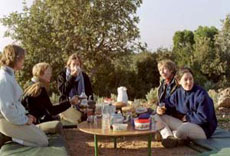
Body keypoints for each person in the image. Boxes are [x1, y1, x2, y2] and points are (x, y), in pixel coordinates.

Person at [156, 67, 217, 148]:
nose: (189, 82)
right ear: (179, 81)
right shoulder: (178, 92)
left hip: (203, 129)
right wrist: (160, 108)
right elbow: (167, 103)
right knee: (157, 116)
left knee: (181, 131)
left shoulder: (201, 94)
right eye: (185, 79)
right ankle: (168, 137)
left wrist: (186, 118)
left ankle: (175, 137)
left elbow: (204, 117)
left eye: (191, 79)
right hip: (185, 124)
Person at [0, 45, 48, 147]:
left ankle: (14, 137)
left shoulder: (9, 75)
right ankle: (9, 138)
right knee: (42, 141)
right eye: (22, 59)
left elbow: (15, 104)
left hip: (14, 119)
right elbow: (7, 110)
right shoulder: (4, 79)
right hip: (7, 121)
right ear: (16, 58)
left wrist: (26, 115)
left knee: (42, 136)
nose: (23, 62)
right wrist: (25, 120)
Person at [57, 53, 93, 123]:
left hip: (82, 106)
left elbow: (90, 93)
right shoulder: (62, 75)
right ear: (69, 66)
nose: (76, 67)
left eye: (78, 65)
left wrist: (89, 105)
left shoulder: (84, 76)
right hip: (67, 106)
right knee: (77, 119)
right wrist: (72, 77)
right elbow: (63, 91)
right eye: (73, 64)